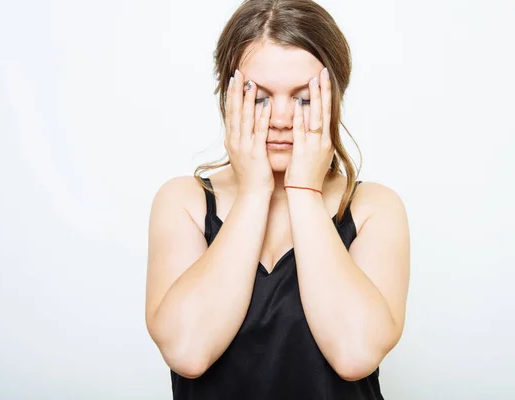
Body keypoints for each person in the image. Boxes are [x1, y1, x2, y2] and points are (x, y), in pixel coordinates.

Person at [145, 0, 410, 398]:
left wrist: (304, 190)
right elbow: (188, 351)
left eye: (304, 98)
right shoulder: (184, 202)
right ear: (227, 96)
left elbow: (355, 354)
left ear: (333, 97)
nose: (282, 119)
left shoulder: (375, 208)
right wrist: (255, 191)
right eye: (259, 97)